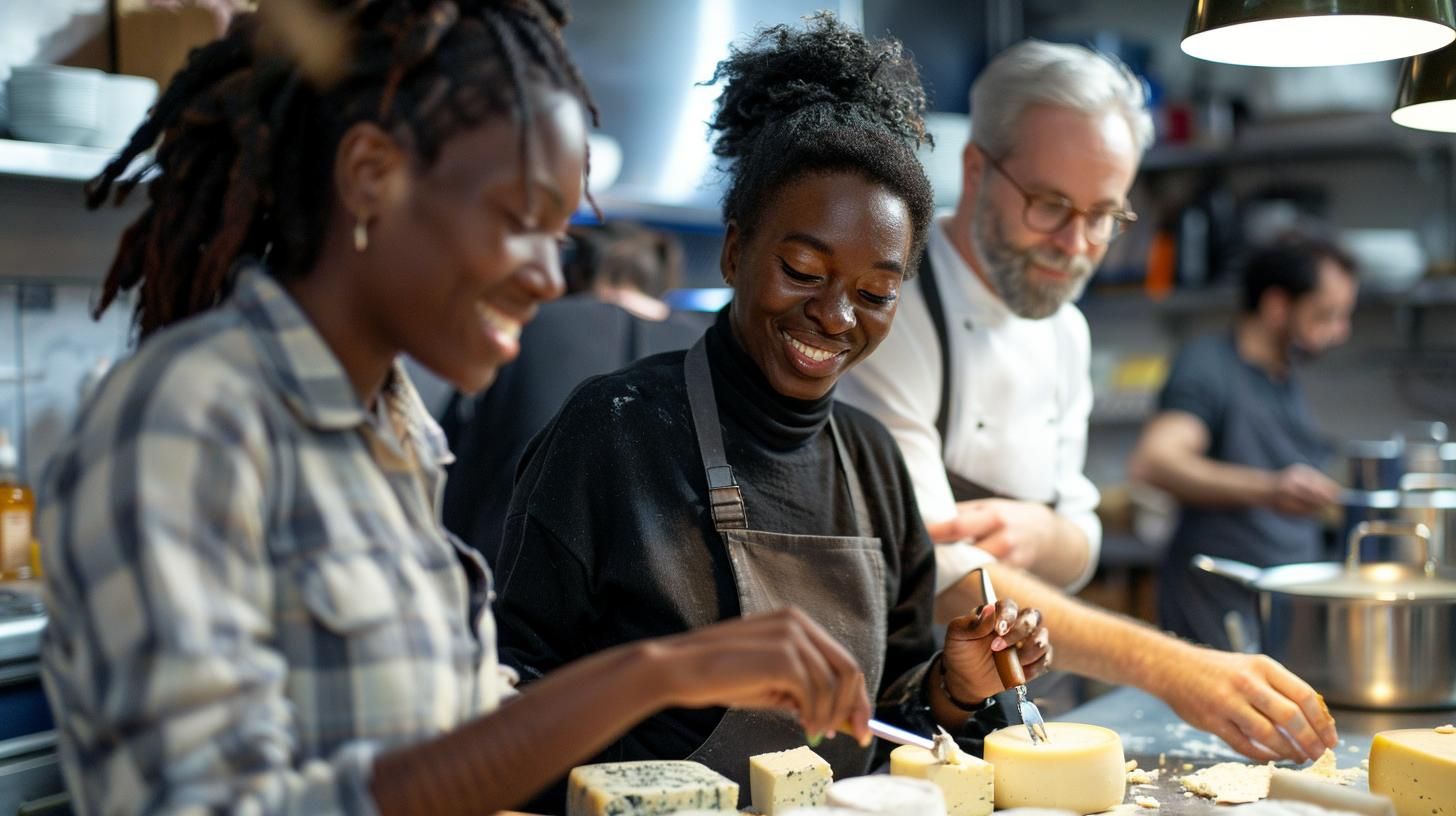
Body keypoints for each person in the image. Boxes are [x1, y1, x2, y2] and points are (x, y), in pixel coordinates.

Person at [38, 4, 886, 814]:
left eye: (557, 238)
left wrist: (667, 678)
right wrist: (651, 672)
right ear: (372, 177)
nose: (552, 280)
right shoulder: (188, 420)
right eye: (520, 220)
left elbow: (451, 735)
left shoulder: (396, 429)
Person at [494, 14, 1051, 811]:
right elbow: (508, 695)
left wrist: (951, 695)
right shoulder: (613, 432)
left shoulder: (871, 464)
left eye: (873, 294)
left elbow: (887, 724)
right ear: (734, 252)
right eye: (801, 270)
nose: (835, 316)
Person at [836, 39, 1339, 763]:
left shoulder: (1064, 330)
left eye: (1104, 214)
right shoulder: (898, 309)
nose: (1075, 243)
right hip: (894, 718)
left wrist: (1043, 533)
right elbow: (936, 577)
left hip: (1013, 711)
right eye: (1049, 205)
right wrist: (1169, 665)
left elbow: (1081, 541)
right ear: (976, 169)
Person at [1130, 232, 1356, 651]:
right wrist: (1270, 489)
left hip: (1278, 598)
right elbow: (1156, 460)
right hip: (1220, 603)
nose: (1338, 332)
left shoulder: (1280, 374)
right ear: (1276, 306)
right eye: (1325, 315)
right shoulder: (1208, 365)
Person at [440, 221, 705, 563]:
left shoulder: (527, 326)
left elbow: (462, 457)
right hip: (661, 586)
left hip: (512, 570)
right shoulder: (702, 348)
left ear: (576, 270)